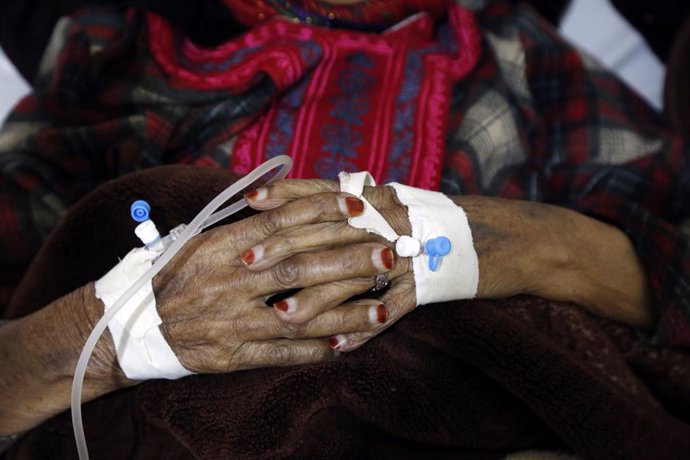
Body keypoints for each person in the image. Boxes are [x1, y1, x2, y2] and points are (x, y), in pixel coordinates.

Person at [0, 0, 689, 457]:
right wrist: (111, 334)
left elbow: (671, 276)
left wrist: (517, 242)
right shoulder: (112, 49)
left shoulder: (525, 61)